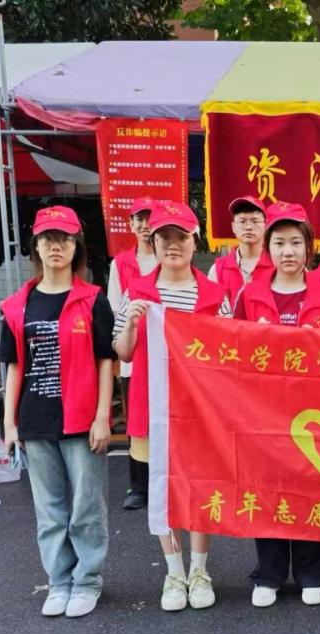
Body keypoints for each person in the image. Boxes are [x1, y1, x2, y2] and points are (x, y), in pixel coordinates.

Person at [113, 201, 231, 612]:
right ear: (154, 242)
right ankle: (173, 571)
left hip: (201, 410)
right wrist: (131, 323)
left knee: (199, 487)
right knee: (161, 487)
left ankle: (200, 570)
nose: (172, 245)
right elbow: (122, 352)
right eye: (164, 237)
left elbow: (229, 352)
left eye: (180, 237)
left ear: (194, 241)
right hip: (154, 406)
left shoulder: (215, 295)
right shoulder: (138, 291)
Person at [0, 206, 115, 618]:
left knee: (86, 507)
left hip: (81, 419)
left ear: (76, 246)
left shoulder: (92, 300)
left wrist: (102, 416)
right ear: (36, 246)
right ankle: (59, 581)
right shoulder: (17, 306)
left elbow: (105, 361)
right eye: (48, 238)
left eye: (64, 239)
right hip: (35, 419)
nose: (56, 246)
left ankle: (88, 581)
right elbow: (14, 367)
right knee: (49, 511)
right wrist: (9, 423)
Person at [234, 202, 320, 608]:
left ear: (309, 247)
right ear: (268, 248)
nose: (288, 251)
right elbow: (232, 352)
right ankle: (270, 573)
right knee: (270, 490)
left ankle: (314, 572)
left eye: (296, 242)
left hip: (316, 412)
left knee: (316, 488)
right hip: (265, 412)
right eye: (279, 243)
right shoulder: (251, 294)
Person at [106, 196, 158, 512]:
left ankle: (167, 483)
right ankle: (138, 486)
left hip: (164, 356)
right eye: (139, 219)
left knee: (165, 421)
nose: (145, 225)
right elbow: (116, 308)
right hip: (134, 357)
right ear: (130, 224)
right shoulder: (121, 263)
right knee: (136, 422)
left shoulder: (169, 257)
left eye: (149, 219)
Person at [208, 196, 271, 306]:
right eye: (242, 221)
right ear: (233, 227)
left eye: (255, 221)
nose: (248, 227)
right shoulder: (218, 270)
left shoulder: (277, 265)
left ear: (265, 225)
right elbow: (212, 310)